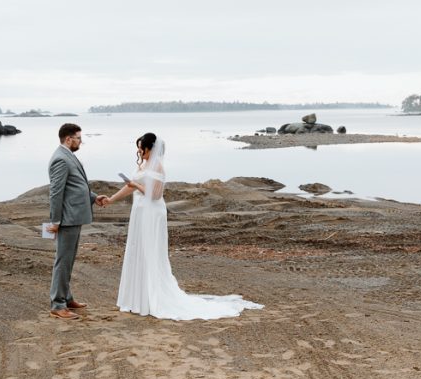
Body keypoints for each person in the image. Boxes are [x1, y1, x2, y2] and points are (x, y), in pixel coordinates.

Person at [103, 133, 263, 320]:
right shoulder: (143, 165)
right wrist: (112, 199)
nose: (139, 151)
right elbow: (131, 187)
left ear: (151, 148)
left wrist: (136, 186)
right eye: (138, 147)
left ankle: (149, 299)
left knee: (150, 252)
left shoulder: (159, 167)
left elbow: (155, 195)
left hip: (152, 213)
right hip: (138, 212)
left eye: (142, 148)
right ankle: (136, 299)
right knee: (137, 250)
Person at [46, 123, 108, 320]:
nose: (81, 141)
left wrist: (93, 197)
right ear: (68, 139)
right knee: (63, 261)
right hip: (66, 219)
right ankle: (57, 304)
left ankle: (67, 297)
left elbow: (75, 186)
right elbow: (56, 192)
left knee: (69, 260)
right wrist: (55, 220)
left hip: (74, 217)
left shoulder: (68, 156)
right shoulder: (60, 159)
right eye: (79, 138)